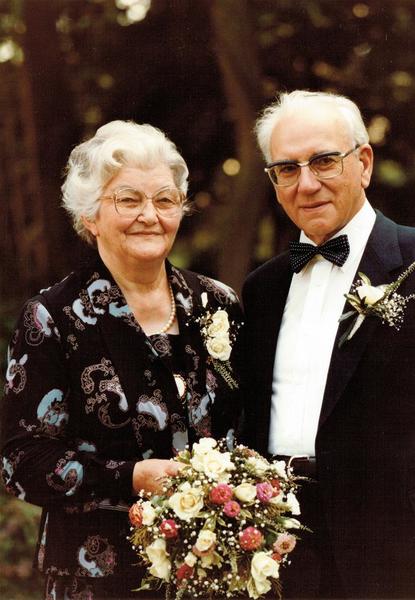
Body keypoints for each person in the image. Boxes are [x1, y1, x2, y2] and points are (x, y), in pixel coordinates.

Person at [1, 121, 243, 599]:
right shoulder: (53, 317)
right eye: (128, 200)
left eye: (165, 199)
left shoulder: (217, 303)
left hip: (213, 571)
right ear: (90, 216)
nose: (149, 215)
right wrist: (129, 478)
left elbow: (247, 424)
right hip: (100, 579)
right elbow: (20, 461)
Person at [241, 90, 415, 599]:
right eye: (286, 169)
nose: (306, 183)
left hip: (406, 552)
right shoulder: (262, 289)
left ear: (364, 163)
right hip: (285, 553)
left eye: (324, 161)